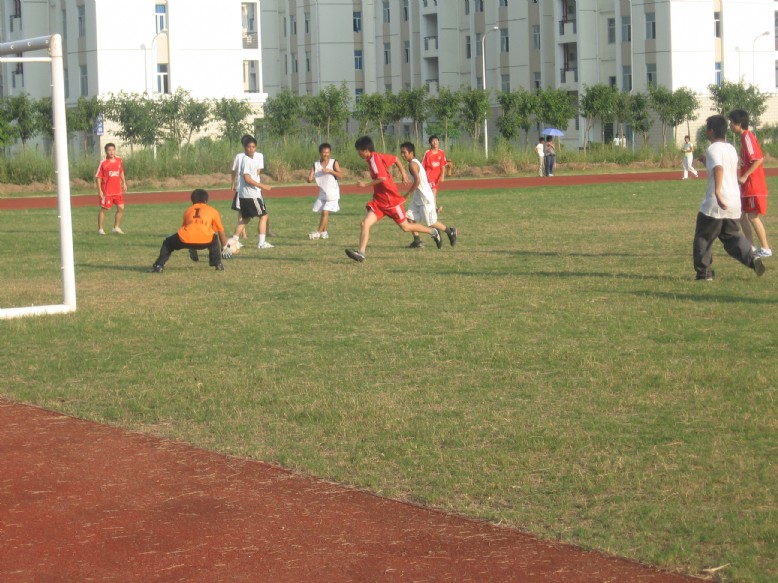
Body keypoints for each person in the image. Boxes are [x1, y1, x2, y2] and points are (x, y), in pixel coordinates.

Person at [345, 135, 443, 263]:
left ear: (366, 150)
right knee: (365, 224)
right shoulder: (376, 157)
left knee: (406, 227)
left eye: (359, 151)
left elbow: (382, 178)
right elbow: (395, 159)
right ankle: (361, 253)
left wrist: (365, 185)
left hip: (391, 201)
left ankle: (433, 232)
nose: (358, 153)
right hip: (380, 202)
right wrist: (403, 173)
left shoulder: (374, 160)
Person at [692, 114, 765, 281]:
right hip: (733, 201)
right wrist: (706, 162)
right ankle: (752, 258)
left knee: (703, 237)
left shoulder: (713, 149)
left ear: (711, 131)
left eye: (707, 129)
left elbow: (719, 168)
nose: (706, 131)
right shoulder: (731, 148)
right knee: (731, 237)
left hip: (716, 202)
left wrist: (717, 192)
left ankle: (704, 273)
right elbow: (723, 168)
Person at [150, 189, 228, 273]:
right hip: (205, 240)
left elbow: (188, 229)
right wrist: (224, 248)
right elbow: (221, 232)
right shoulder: (213, 211)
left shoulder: (188, 210)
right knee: (214, 238)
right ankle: (218, 264)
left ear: (193, 201)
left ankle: (159, 265)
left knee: (168, 243)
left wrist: (192, 247)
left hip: (186, 239)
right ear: (206, 200)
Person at [728, 109, 772, 258]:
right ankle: (751, 247)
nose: (730, 125)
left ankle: (766, 249)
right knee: (741, 215)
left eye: (731, 122)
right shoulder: (743, 138)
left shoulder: (747, 137)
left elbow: (758, 159)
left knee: (753, 216)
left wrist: (745, 176)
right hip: (747, 187)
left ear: (739, 124)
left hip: (754, 185)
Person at [400, 141, 458, 249]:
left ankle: (451, 231)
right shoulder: (413, 162)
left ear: (411, 152)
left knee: (431, 222)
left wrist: (407, 194)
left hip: (425, 197)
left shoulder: (413, 164)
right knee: (409, 217)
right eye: (401, 153)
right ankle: (417, 241)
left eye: (404, 153)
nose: (402, 155)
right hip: (418, 196)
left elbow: (417, 181)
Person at [228, 137, 274, 249]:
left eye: (253, 147)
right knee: (263, 216)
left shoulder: (252, 159)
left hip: (245, 194)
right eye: (249, 147)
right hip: (251, 194)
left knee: (246, 218)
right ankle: (261, 243)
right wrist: (262, 185)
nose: (251, 149)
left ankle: (234, 241)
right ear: (245, 147)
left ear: (256, 147)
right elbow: (247, 178)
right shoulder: (246, 160)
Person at [307, 142, 343, 240]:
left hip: (333, 193)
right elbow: (310, 177)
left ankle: (318, 232)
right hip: (323, 193)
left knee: (325, 212)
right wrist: (309, 179)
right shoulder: (315, 164)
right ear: (320, 153)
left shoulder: (334, 162)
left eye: (327, 152)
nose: (326, 154)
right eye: (324, 152)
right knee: (323, 213)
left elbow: (341, 175)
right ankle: (324, 232)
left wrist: (330, 171)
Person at [95, 142, 128, 235]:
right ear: (106, 151)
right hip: (107, 192)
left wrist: (124, 182)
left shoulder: (119, 160)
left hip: (117, 191)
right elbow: (98, 178)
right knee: (104, 210)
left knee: (121, 208)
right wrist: (100, 191)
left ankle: (116, 227)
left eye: (113, 150)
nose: (111, 152)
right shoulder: (103, 163)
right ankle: (100, 229)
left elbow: (121, 171)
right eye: (109, 150)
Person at [229, 134, 253, 241]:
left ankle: (266, 231)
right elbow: (234, 170)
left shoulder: (256, 156)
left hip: (253, 188)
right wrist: (232, 183)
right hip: (241, 188)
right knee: (241, 211)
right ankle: (243, 233)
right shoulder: (239, 156)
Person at [421, 134, 450, 213]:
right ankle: (435, 209)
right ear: (430, 143)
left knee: (433, 193)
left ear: (438, 142)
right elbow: (422, 165)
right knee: (433, 191)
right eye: (433, 141)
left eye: (436, 140)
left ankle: (431, 208)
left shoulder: (441, 152)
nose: (435, 142)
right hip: (429, 176)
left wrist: (442, 176)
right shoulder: (427, 153)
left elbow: (443, 165)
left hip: (437, 177)